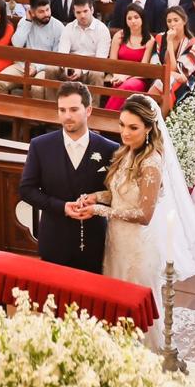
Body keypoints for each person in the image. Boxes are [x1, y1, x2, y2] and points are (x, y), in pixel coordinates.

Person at [71, 94, 166, 348]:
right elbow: (120, 194)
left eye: (133, 127)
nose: (124, 132)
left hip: (136, 245)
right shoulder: (126, 153)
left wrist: (100, 211)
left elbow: (144, 215)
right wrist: (95, 197)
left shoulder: (151, 164)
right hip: (116, 240)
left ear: (148, 128)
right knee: (114, 294)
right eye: (122, 125)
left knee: (133, 299)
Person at [18, 81, 120, 272]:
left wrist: (96, 205)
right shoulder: (40, 146)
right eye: (62, 110)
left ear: (88, 110)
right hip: (54, 239)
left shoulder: (110, 149)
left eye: (73, 109)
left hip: (95, 240)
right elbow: (26, 190)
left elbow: (117, 194)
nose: (67, 116)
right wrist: (62, 207)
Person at [108, 7, 195, 111]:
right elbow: (155, 64)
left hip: (181, 83)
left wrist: (169, 43)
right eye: (169, 21)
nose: (172, 24)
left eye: (176, 20)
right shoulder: (160, 38)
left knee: (166, 83)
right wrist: (169, 73)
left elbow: (180, 72)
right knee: (161, 82)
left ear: (184, 21)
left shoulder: (193, 43)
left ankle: (152, 116)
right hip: (159, 77)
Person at [0, 0, 63, 97]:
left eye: (47, 10)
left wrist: (37, 67)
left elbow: (56, 59)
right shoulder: (25, 21)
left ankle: (37, 113)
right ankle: (4, 112)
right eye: (41, 11)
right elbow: (17, 44)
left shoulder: (58, 27)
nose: (46, 14)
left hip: (44, 68)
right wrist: (28, 22)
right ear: (32, 12)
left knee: (37, 88)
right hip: (23, 65)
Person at [55, 0, 111, 89]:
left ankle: (93, 104)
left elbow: (100, 60)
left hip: (91, 69)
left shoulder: (102, 30)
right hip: (70, 67)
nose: (82, 16)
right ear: (74, 12)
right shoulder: (68, 28)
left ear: (92, 10)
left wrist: (81, 70)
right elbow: (62, 54)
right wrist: (68, 67)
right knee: (51, 68)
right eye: (78, 12)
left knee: (97, 73)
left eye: (85, 11)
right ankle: (52, 103)